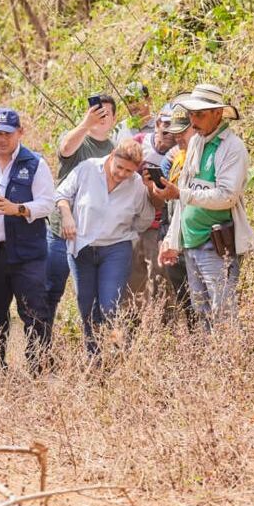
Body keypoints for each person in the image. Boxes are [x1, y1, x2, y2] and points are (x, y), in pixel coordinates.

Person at [157, 84, 254, 328]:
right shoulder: (195, 144)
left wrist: (180, 192)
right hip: (191, 242)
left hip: (216, 242)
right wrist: (172, 240)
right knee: (201, 312)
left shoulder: (232, 147)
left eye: (200, 114)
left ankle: (231, 363)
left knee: (222, 312)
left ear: (218, 113)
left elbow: (227, 196)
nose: (194, 120)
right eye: (192, 114)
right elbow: (184, 197)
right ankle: (210, 363)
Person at [54, 139, 158, 353]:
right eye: (119, 167)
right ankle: (93, 354)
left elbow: (145, 218)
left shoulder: (137, 184)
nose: (122, 174)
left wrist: (127, 230)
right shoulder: (88, 168)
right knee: (86, 304)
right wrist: (67, 216)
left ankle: (108, 351)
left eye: (129, 171)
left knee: (109, 305)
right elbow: (61, 195)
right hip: (81, 246)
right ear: (111, 156)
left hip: (115, 248)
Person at [0, 109, 54, 373]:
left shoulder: (35, 163)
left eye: (7, 133)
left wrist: (16, 208)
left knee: (34, 311)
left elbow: (47, 204)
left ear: (20, 132)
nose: (2, 139)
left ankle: (38, 366)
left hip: (28, 252)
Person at [46, 93, 117, 326]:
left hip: (92, 235)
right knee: (50, 292)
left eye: (106, 113)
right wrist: (86, 124)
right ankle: (41, 353)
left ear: (114, 119)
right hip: (60, 230)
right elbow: (66, 149)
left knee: (92, 298)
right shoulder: (77, 138)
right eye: (97, 112)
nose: (101, 117)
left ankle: (94, 352)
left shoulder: (115, 150)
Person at [126, 104, 176, 305]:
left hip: (159, 225)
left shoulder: (176, 155)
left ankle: (163, 327)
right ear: (156, 125)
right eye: (165, 129)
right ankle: (132, 327)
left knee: (159, 279)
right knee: (131, 281)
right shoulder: (139, 143)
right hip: (131, 221)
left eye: (174, 131)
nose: (169, 136)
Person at [158, 105, 195, 320]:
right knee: (186, 304)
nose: (178, 137)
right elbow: (164, 203)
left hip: (200, 240)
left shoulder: (207, 157)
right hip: (175, 238)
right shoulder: (172, 160)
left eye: (184, 131)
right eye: (176, 132)